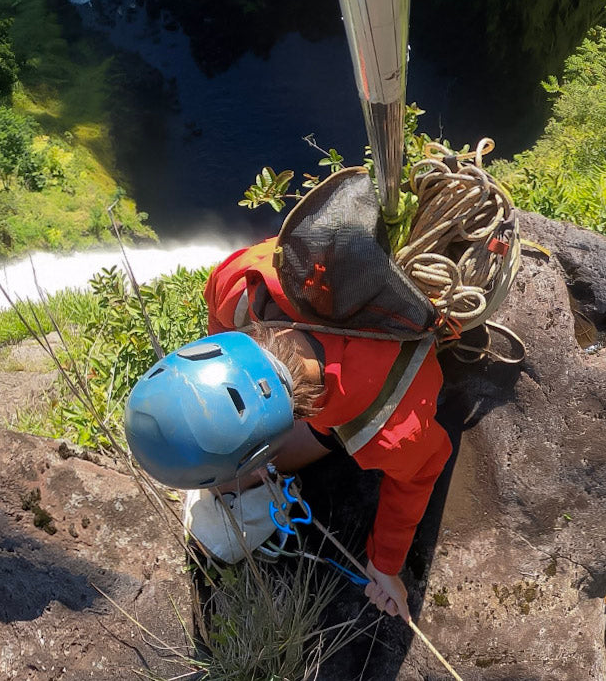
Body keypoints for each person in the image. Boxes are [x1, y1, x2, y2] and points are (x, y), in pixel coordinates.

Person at [124, 171, 453, 622]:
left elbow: (423, 469)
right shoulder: (239, 287)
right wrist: (384, 564)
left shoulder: (385, 426)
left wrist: (385, 564)